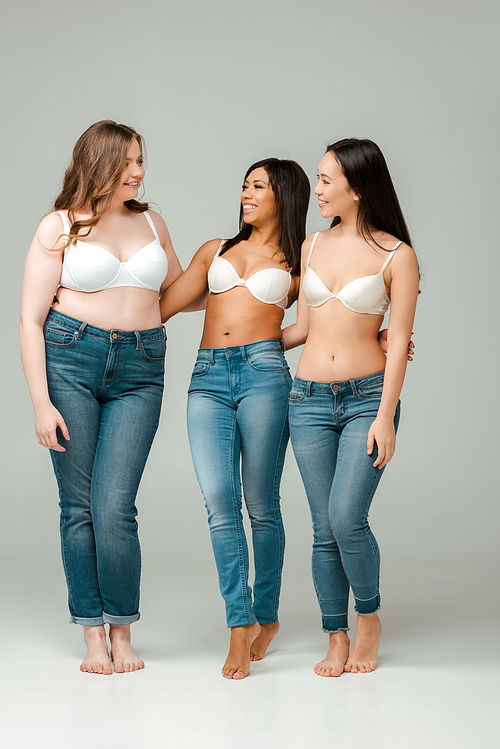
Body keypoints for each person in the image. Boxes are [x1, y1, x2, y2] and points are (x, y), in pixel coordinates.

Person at [19, 120, 186, 675]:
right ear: (101, 162)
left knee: (115, 507)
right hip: (70, 360)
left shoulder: (152, 222)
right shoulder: (60, 226)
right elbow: (29, 318)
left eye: (142, 160)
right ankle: (94, 636)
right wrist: (41, 403)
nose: (140, 171)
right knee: (79, 507)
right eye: (130, 161)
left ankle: (123, 630)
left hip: (141, 367)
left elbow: (183, 293)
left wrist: (237, 265)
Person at [160, 158, 310, 679]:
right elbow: (162, 307)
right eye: (245, 185)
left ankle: (265, 614)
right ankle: (238, 624)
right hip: (207, 379)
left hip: (266, 375)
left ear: (283, 195)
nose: (246, 194)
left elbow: (312, 326)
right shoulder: (215, 251)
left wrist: (381, 339)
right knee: (220, 504)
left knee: (261, 504)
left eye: (258, 186)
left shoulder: (298, 261)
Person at [284, 138, 419, 677]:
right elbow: (298, 328)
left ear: (357, 189)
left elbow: (401, 340)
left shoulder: (397, 255)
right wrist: (239, 339)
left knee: (346, 517)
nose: (317, 189)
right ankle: (334, 635)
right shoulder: (312, 245)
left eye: (325, 180)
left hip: (366, 398)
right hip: (308, 400)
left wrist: (386, 416)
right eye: (318, 178)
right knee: (322, 526)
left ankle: (368, 618)